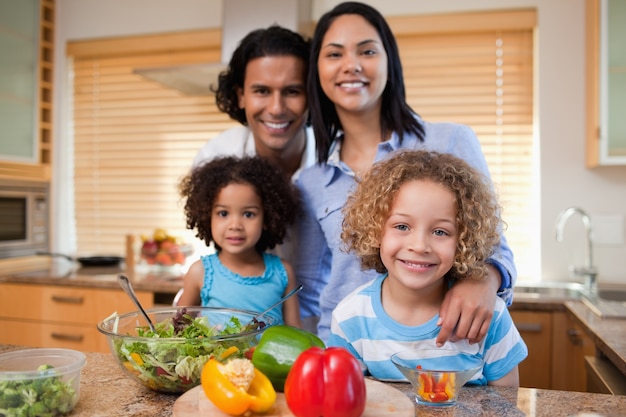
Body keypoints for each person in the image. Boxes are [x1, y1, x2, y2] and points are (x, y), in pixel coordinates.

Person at [295, 1, 517, 342]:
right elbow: (309, 291)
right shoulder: (311, 182)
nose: (351, 65)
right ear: (317, 70)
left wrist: (484, 279)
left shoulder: (450, 140)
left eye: (367, 51)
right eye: (335, 54)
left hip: (444, 353)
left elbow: (495, 247)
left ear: (389, 63)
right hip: (350, 359)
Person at [328, 150, 527, 385]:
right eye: (402, 226)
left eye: (440, 232)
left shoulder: (489, 315)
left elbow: (506, 405)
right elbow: (345, 401)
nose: (420, 246)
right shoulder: (350, 318)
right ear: (375, 231)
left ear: (464, 240)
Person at [176, 155, 302, 328]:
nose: (235, 225)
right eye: (223, 213)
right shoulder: (200, 272)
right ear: (207, 216)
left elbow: (297, 334)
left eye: (248, 214)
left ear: (267, 218)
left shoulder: (283, 272)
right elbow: (177, 332)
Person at [192, 25, 315, 181]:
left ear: (312, 96)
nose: (276, 109)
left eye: (292, 92)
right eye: (262, 91)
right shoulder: (214, 159)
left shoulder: (338, 159)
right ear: (241, 96)